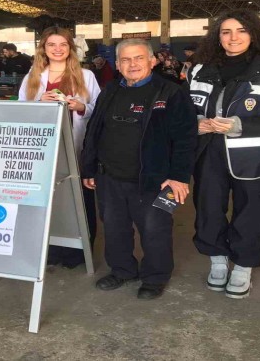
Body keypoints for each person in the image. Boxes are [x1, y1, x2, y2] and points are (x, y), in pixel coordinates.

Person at [188, 9, 260, 299]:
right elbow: (185, 108)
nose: (233, 37)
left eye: (241, 31)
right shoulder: (198, 71)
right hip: (208, 151)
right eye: (226, 32)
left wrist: (241, 126)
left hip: (254, 155)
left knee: (250, 211)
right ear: (217, 37)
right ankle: (217, 259)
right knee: (208, 207)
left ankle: (243, 265)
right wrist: (195, 123)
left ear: (254, 34)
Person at [81, 38, 197, 300]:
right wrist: (89, 168)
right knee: (115, 229)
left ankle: (155, 277)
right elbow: (94, 130)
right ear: (117, 64)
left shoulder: (171, 92)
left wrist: (178, 177)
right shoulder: (110, 90)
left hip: (154, 180)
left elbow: (186, 139)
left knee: (155, 230)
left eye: (139, 58)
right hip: (110, 177)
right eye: (125, 59)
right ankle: (122, 270)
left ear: (152, 61)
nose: (132, 64)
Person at [18, 27, 101, 268]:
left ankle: (80, 252)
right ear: (43, 49)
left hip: (75, 147)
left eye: (63, 44)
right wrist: (38, 102)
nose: (57, 49)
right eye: (51, 44)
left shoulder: (86, 75)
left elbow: (99, 109)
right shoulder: (33, 76)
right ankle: (50, 250)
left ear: (70, 48)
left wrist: (81, 107)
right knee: (49, 199)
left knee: (80, 198)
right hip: (44, 150)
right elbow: (20, 110)